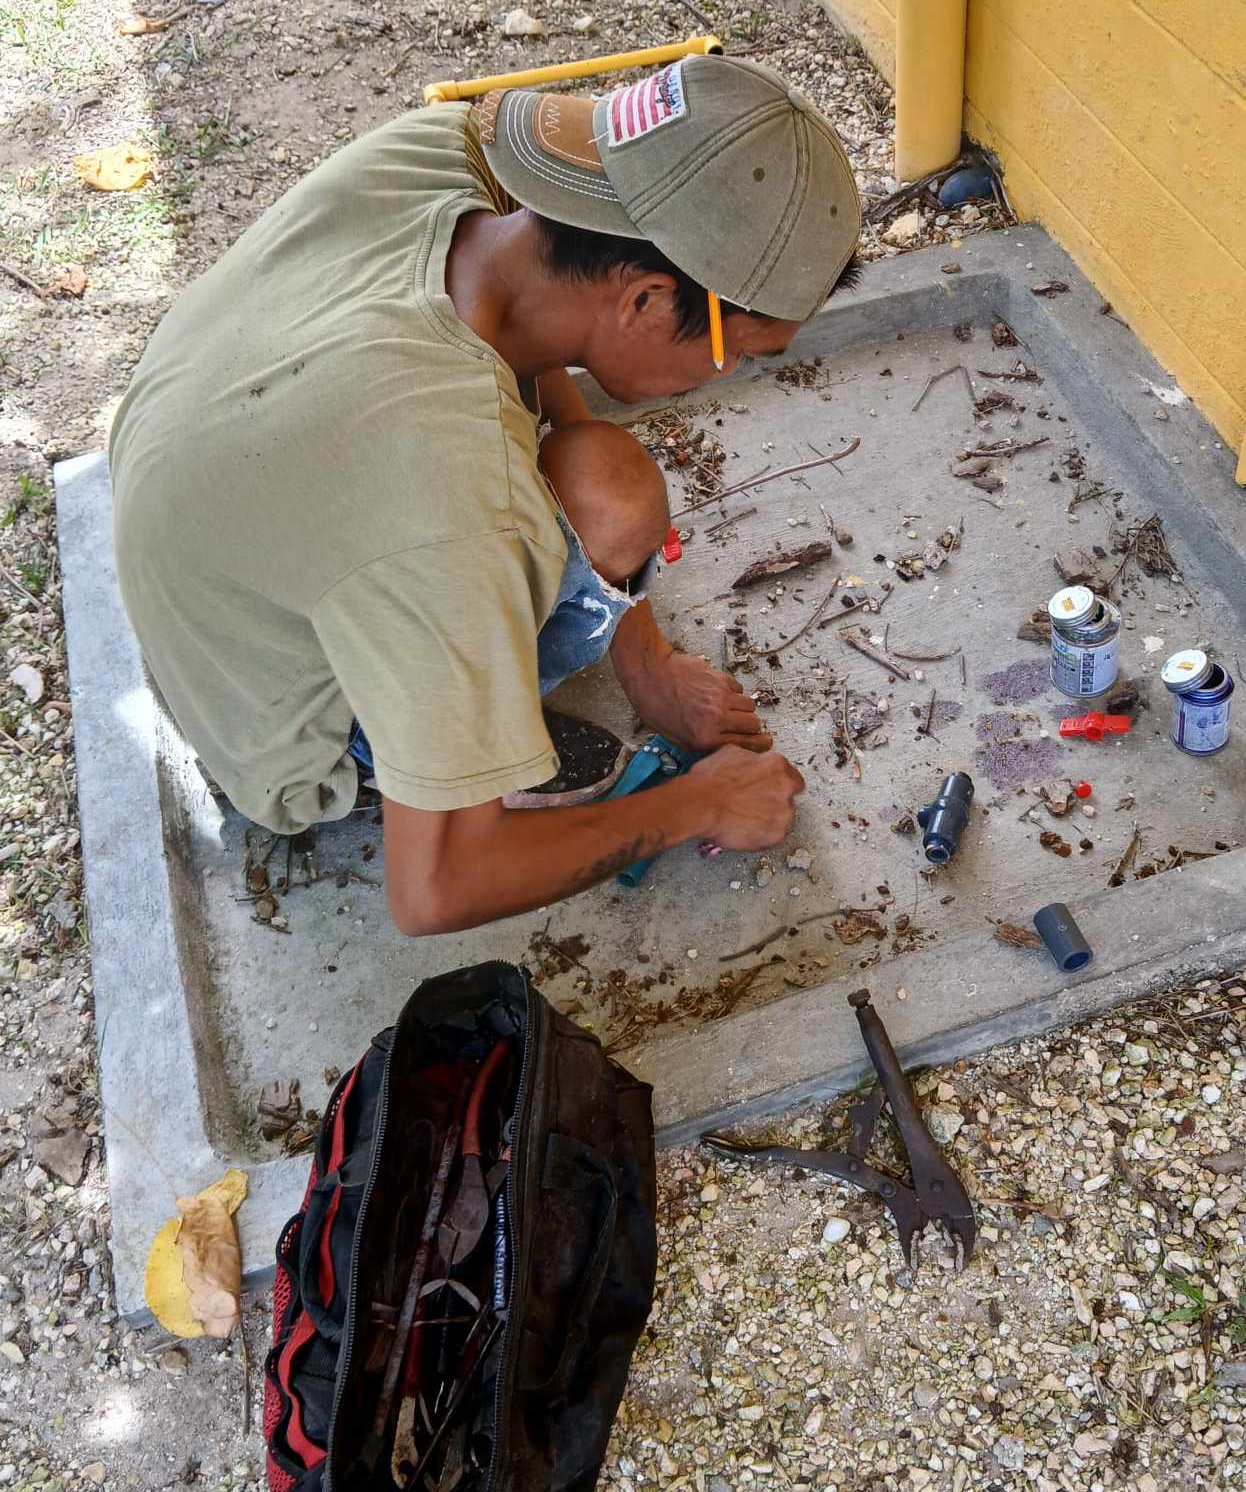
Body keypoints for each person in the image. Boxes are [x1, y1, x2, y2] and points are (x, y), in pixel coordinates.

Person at [109, 52, 862, 934]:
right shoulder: (447, 501)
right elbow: (436, 891)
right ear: (651, 302)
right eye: (744, 354)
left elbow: (532, 359)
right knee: (609, 499)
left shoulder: (450, 162)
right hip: (280, 727)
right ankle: (413, 760)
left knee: (599, 481)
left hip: (216, 531)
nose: (720, 379)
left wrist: (645, 658)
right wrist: (696, 805)